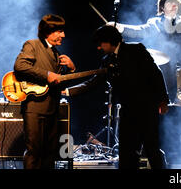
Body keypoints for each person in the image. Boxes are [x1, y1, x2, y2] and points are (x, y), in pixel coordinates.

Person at [65, 25, 169, 169]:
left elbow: (156, 74)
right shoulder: (107, 60)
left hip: (146, 108)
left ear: (109, 41)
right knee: (126, 151)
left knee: (151, 147)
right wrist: (68, 91)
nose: (99, 48)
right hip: (128, 110)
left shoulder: (136, 49)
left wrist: (163, 100)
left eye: (101, 43)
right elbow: (94, 82)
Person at [108, 0, 181, 103]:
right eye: (170, 3)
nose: (174, 5)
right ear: (162, 7)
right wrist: (121, 27)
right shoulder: (154, 22)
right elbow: (140, 31)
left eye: (175, 3)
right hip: (165, 73)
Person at [13, 14, 76, 169]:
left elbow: (58, 84)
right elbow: (20, 66)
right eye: (60, 31)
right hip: (35, 108)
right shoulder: (33, 45)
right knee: (34, 152)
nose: (64, 35)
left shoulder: (56, 54)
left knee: (50, 153)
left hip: (52, 109)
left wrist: (72, 69)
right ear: (49, 31)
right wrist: (47, 74)